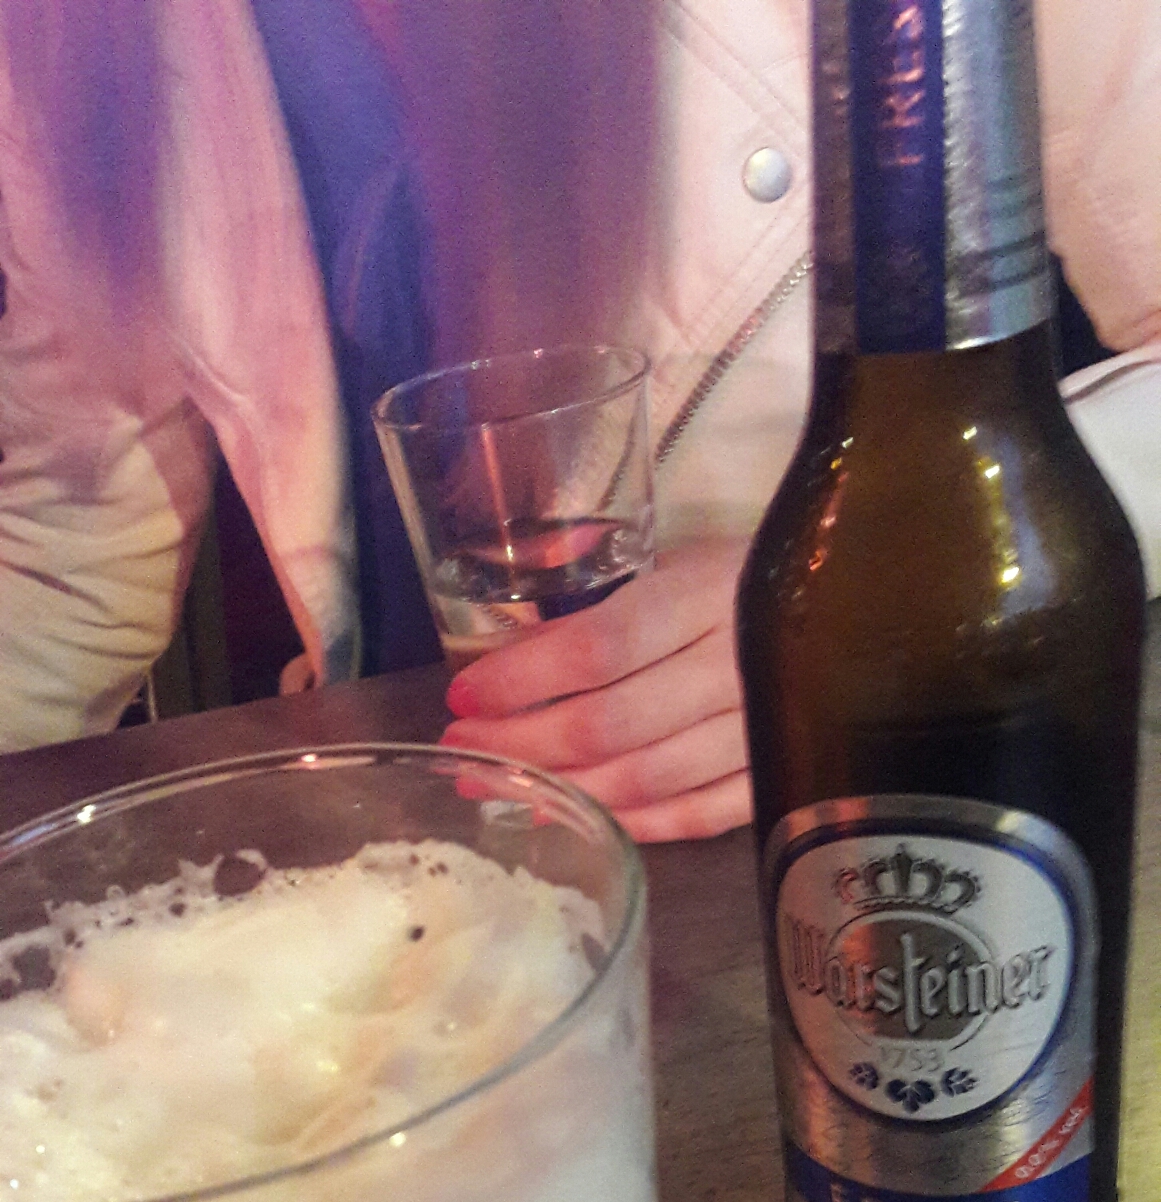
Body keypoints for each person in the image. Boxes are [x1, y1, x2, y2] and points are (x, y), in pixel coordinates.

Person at [1, 0, 1158, 841]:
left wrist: (885, 593)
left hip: (861, 818)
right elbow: (69, 551)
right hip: (421, 870)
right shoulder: (72, 35)